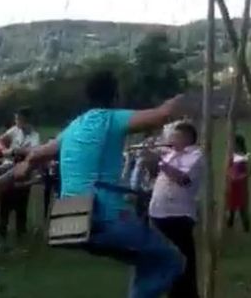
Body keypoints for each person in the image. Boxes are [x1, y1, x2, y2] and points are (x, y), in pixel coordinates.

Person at [14, 70, 185, 298]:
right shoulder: (111, 119)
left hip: (71, 221)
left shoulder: (74, 126)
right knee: (170, 261)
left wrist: (26, 166)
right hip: (105, 217)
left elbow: (38, 154)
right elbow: (162, 115)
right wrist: (181, 99)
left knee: (146, 261)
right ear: (115, 96)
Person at [147, 121, 204, 298]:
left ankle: (186, 294)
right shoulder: (171, 154)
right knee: (164, 259)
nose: (171, 140)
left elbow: (183, 180)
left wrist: (161, 163)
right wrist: (150, 160)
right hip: (159, 213)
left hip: (178, 215)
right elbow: (157, 175)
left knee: (182, 259)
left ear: (187, 138)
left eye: (175, 137)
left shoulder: (195, 156)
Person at [226, 134, 251, 232]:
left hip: (241, 186)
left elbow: (248, 171)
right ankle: (229, 226)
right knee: (231, 207)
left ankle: (246, 228)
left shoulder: (244, 156)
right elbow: (228, 169)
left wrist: (239, 177)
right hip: (233, 185)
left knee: (242, 208)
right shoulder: (231, 156)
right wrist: (230, 175)